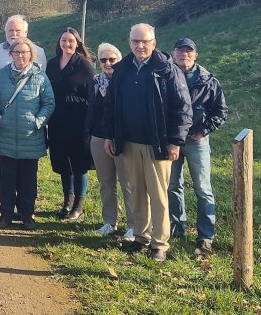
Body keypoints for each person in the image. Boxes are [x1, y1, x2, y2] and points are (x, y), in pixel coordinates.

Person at [103, 23, 192, 263]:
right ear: (129, 42)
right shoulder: (122, 70)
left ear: (154, 43)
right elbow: (111, 105)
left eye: (145, 41)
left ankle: (160, 244)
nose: (140, 46)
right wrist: (110, 135)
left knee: (159, 195)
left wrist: (175, 141)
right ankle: (141, 237)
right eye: (135, 42)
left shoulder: (167, 69)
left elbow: (183, 108)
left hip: (157, 144)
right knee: (136, 192)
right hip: (128, 142)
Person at [0, 38, 54, 230]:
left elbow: (49, 103)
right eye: (17, 52)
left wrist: (38, 121)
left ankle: (27, 215)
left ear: (31, 55)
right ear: (11, 54)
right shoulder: (1, 75)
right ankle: (6, 215)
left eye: (24, 52)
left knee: (28, 181)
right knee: (6, 180)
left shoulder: (40, 77)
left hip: (30, 137)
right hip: (6, 136)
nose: (21, 56)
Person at [168, 38, 227, 256]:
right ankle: (176, 229)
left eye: (188, 51)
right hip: (173, 140)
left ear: (195, 55)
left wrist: (204, 130)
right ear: (174, 54)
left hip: (197, 141)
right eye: (180, 50)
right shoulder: (167, 76)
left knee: (203, 189)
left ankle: (205, 237)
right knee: (173, 185)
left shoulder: (208, 80)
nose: (184, 54)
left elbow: (220, 111)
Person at [86, 43, 135, 241]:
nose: (107, 63)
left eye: (112, 59)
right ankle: (109, 222)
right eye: (103, 60)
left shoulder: (128, 81)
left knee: (128, 183)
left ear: (119, 60)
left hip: (123, 139)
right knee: (106, 182)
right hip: (98, 137)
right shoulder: (96, 82)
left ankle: (133, 225)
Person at [46, 27, 95, 222]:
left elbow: (92, 95)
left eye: (71, 41)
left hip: (78, 120)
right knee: (62, 162)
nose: (67, 44)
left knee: (78, 164)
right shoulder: (51, 64)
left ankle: (79, 206)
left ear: (78, 43)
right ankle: (67, 201)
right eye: (64, 40)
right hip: (57, 120)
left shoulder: (84, 65)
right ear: (59, 42)